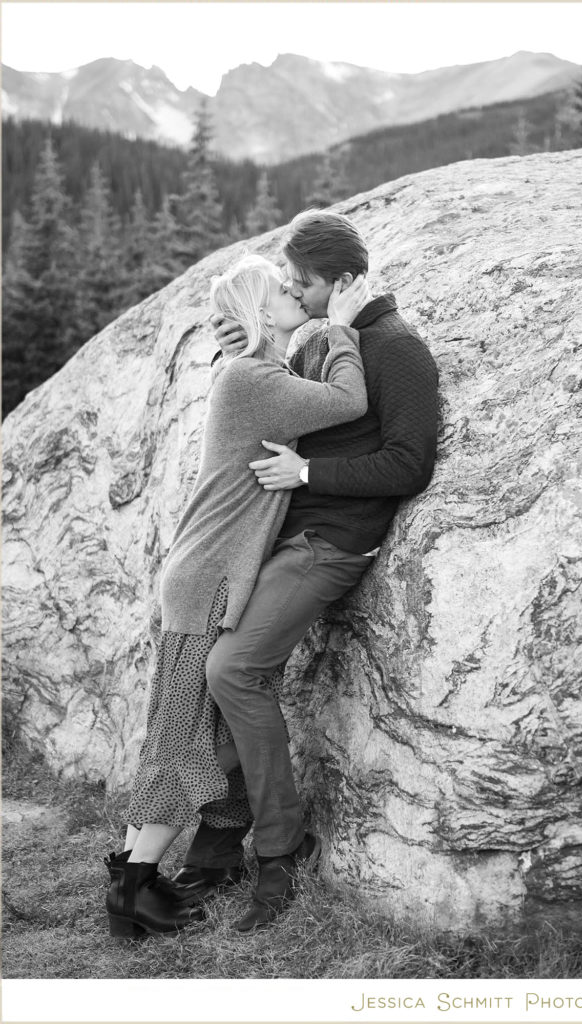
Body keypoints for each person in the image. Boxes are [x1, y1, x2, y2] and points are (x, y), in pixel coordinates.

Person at [170, 210, 440, 933]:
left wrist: (308, 470)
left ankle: (280, 852)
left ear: (344, 282)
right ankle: (221, 842)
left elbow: (409, 464)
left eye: (302, 281)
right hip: (282, 541)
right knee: (205, 673)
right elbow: (269, 400)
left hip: (330, 543)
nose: (291, 287)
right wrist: (243, 342)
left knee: (232, 670)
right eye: (286, 279)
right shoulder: (324, 339)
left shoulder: (397, 350)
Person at [104, 253, 371, 939]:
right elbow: (348, 402)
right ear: (261, 312)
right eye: (280, 291)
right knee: (184, 741)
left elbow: (285, 380)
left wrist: (263, 339)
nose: (293, 293)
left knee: (187, 731)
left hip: (202, 575)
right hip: (206, 582)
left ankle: (137, 872)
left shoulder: (250, 373)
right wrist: (339, 326)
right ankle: (134, 889)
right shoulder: (255, 378)